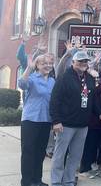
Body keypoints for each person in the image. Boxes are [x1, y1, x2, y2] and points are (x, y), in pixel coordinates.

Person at [49, 50, 101, 186]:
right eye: (80, 61)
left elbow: (93, 100)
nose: (83, 64)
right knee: (60, 155)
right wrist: (56, 121)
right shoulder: (64, 77)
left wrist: (100, 113)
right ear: (73, 62)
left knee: (75, 156)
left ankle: (68, 180)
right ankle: (56, 181)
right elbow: (55, 100)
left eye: (85, 61)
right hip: (65, 124)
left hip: (83, 125)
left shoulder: (90, 79)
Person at [19, 54, 55, 186]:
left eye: (50, 63)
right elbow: (22, 84)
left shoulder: (52, 81)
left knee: (40, 152)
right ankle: (27, 182)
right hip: (30, 120)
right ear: (37, 65)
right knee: (28, 152)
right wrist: (28, 68)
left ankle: (37, 180)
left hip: (46, 120)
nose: (47, 65)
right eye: (43, 63)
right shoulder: (32, 78)